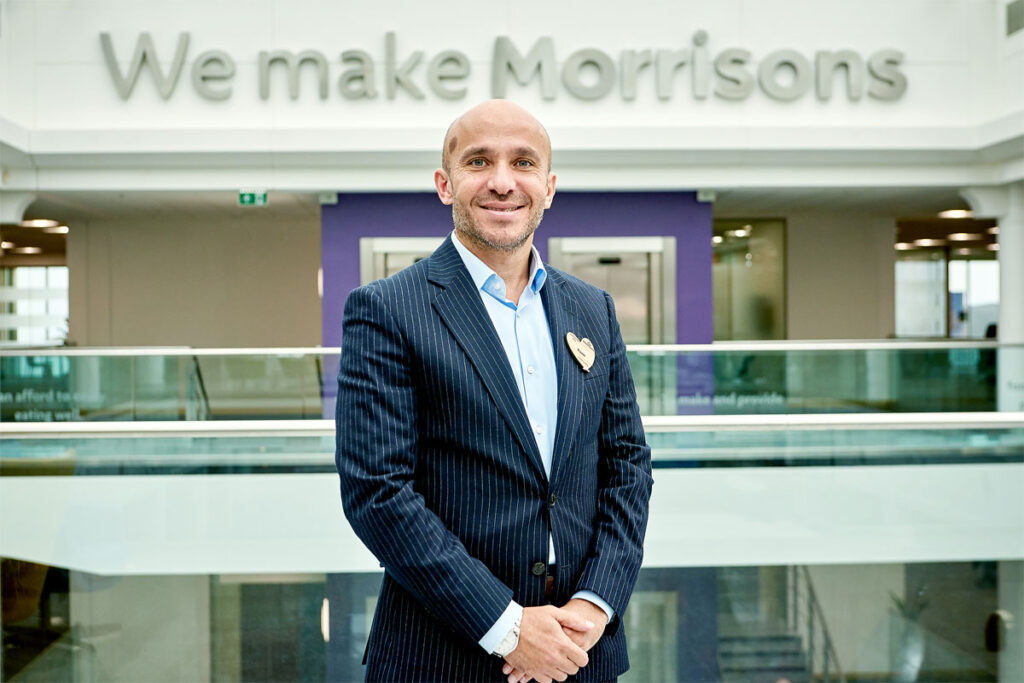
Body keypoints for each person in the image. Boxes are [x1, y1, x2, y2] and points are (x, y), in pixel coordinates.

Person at [335, 99, 653, 683]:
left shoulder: (593, 309)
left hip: (580, 654)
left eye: (523, 163)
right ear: (444, 183)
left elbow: (627, 464)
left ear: (549, 186)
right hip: (443, 657)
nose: (502, 182)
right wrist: (507, 628)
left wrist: (595, 604)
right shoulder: (386, 309)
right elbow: (378, 493)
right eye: (479, 161)